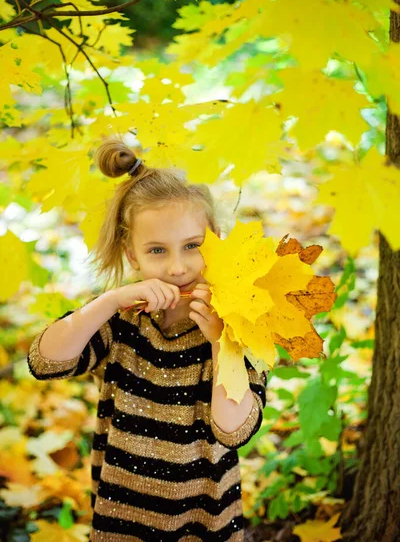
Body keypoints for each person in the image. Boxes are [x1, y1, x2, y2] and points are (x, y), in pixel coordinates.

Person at [27, 139, 268, 542]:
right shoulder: (123, 318)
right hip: (123, 515)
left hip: (202, 518)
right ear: (132, 254)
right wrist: (108, 301)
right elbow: (46, 361)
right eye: (157, 250)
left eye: (192, 246)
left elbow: (233, 430)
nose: (177, 267)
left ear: (216, 238)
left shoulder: (240, 322)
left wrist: (220, 341)